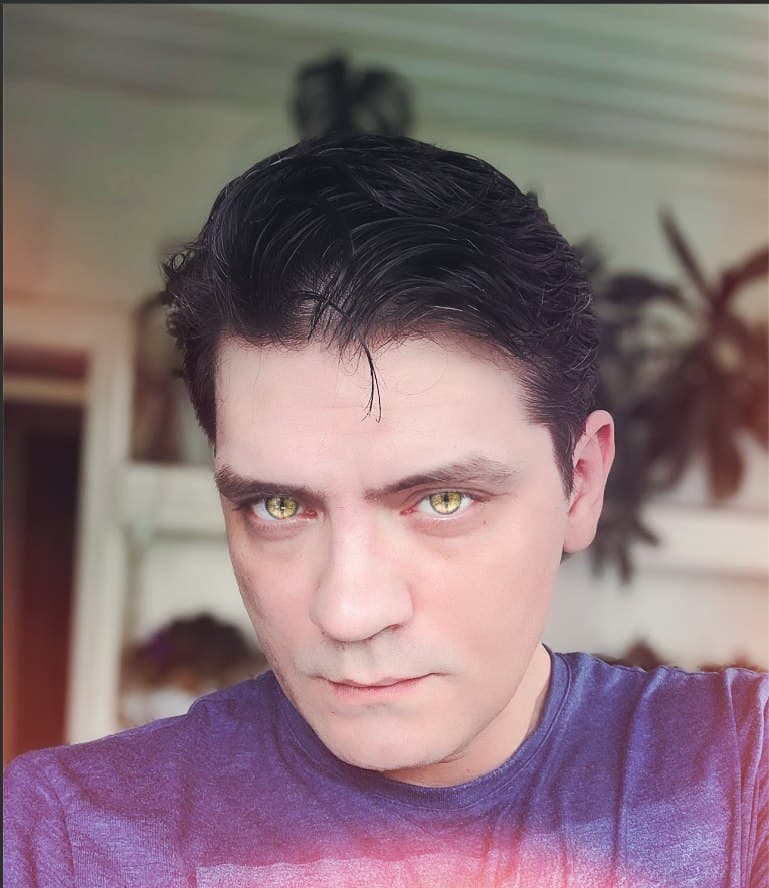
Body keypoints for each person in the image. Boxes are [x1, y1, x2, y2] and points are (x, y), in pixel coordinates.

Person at [4, 133, 767, 886]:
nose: (348, 612)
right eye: (278, 505)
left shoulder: (740, 778)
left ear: (582, 483)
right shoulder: (57, 839)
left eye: (442, 500)